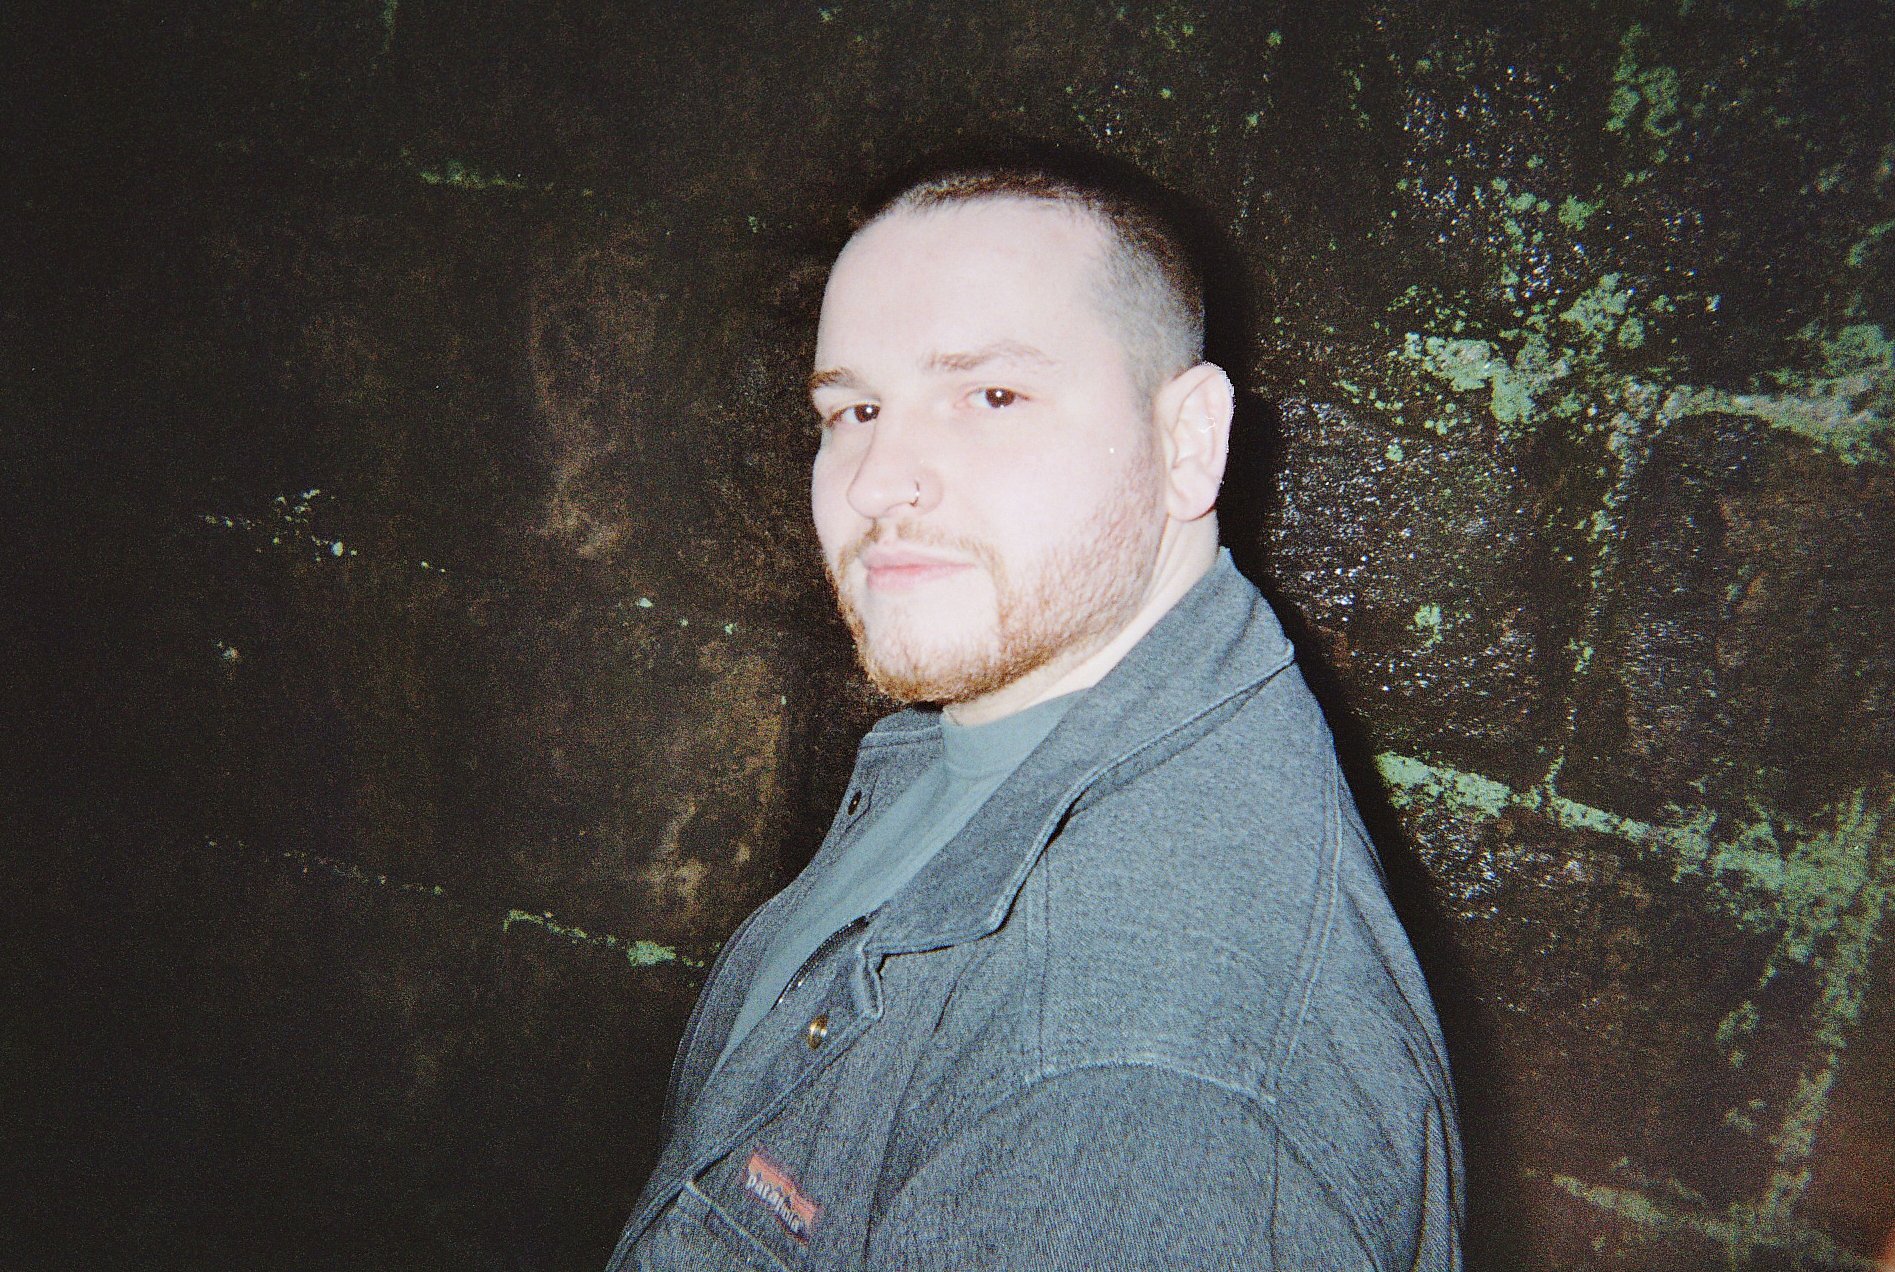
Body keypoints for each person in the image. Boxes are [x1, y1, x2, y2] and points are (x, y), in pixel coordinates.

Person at [605, 158, 1464, 1270]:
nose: (875, 480)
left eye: (989, 396)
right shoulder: (983, 720)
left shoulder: (1135, 1095)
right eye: (853, 408)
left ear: (1187, 441)